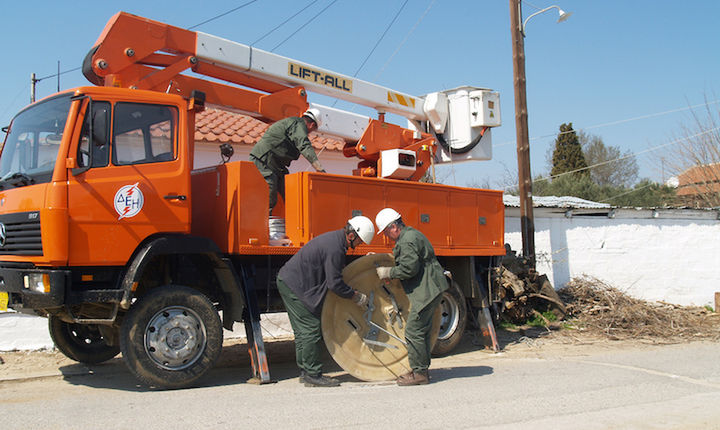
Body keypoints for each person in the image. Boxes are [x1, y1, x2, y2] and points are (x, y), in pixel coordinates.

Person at [276, 216, 374, 387]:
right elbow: (335, 283)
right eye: (359, 242)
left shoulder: (335, 241)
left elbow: (336, 266)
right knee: (311, 328)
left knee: (302, 331)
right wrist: (355, 296)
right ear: (352, 235)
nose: (359, 245)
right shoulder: (335, 247)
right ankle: (313, 374)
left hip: (290, 281)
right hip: (295, 285)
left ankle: (306, 372)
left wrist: (364, 259)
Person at [374, 208, 448, 386]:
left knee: (414, 330)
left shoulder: (407, 240)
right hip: (432, 287)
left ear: (393, 227)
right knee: (421, 330)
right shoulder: (411, 235)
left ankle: (420, 373)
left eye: (385, 231)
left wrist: (388, 272)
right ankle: (420, 369)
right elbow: (409, 260)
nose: (386, 236)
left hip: (427, 290)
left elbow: (409, 268)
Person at [250, 108, 326, 215]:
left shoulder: (293, 124)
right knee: (269, 195)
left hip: (276, 164)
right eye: (313, 130)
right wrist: (319, 169)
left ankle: (294, 223)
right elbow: (304, 145)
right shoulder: (297, 124)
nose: (310, 133)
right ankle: (262, 227)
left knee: (290, 192)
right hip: (264, 160)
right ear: (311, 125)